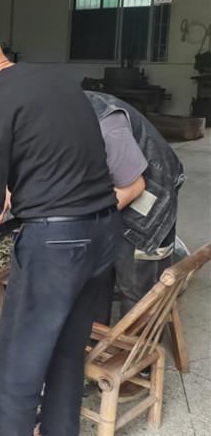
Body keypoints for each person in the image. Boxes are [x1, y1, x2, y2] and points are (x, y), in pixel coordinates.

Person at [0, 26, 122, 436]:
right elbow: (55, 153)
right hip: (104, 232)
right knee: (66, 356)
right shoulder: (57, 81)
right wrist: (14, 194)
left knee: (16, 366)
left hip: (57, 246)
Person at [85, 91, 185, 324]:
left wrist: (84, 219)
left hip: (151, 189)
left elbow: (132, 188)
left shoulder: (106, 122)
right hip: (109, 185)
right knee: (98, 270)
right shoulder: (48, 117)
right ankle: (96, 337)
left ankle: (136, 343)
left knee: (138, 281)